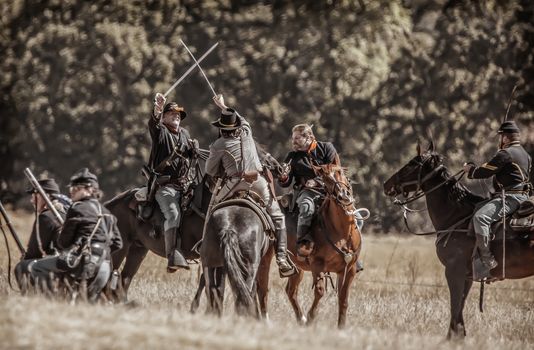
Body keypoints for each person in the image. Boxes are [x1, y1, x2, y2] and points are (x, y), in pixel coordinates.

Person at [205, 94, 295, 277]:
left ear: (221, 128)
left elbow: (211, 171)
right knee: (278, 217)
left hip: (234, 184)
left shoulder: (218, 144)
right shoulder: (246, 132)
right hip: (258, 183)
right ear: (237, 127)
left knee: (212, 210)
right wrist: (223, 105)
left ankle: (204, 245)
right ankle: (282, 258)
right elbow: (242, 118)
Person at [30, 168, 123, 302]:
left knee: (35, 267)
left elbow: (63, 243)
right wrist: (100, 253)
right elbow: (117, 243)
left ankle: (51, 304)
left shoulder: (77, 208)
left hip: (83, 266)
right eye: (72, 188)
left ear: (91, 190)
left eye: (77, 188)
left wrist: (77, 250)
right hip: (105, 268)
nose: (72, 191)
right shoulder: (106, 212)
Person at [278, 124, 364, 266]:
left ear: (309, 137)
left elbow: (336, 170)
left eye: (297, 138)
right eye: (293, 138)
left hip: (332, 190)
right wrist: (283, 177)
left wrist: (317, 181)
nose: (293, 141)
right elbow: (285, 183)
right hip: (306, 192)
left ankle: (353, 253)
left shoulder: (327, 148)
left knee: (358, 218)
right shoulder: (292, 157)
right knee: (306, 207)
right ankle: (303, 243)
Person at [463, 120, 531, 279]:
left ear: (505, 138)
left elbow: (486, 171)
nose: (499, 141)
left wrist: (470, 170)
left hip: (511, 198)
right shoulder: (525, 155)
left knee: (481, 217)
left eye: (500, 137)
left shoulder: (505, 154)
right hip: (524, 196)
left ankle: (488, 261)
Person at [149, 93, 197, 272]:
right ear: (164, 117)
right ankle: (172, 255)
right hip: (166, 187)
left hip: (185, 186)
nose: (177, 115)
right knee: (173, 215)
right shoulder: (160, 131)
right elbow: (153, 123)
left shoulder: (185, 134)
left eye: (178, 114)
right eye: (172, 113)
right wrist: (158, 109)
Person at [14, 178, 70, 289]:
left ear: (46, 197)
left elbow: (34, 253)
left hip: (60, 264)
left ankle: (33, 299)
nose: (32, 200)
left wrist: (25, 258)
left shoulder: (46, 217)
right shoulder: (66, 212)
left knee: (22, 267)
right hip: (70, 262)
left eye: (35, 195)